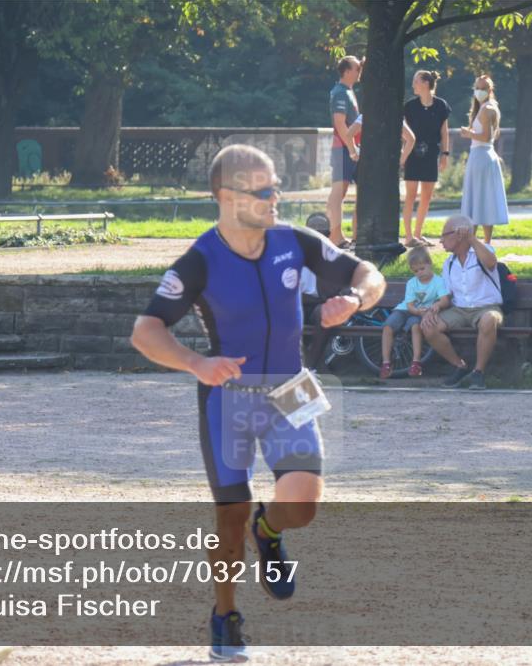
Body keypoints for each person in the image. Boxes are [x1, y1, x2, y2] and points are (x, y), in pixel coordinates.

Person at [130, 145, 386, 662]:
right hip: (228, 400)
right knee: (229, 517)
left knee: (304, 505)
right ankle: (225, 615)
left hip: (291, 390)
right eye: (264, 191)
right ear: (228, 198)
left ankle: (267, 531)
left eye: (277, 187)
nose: (277, 198)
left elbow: (369, 274)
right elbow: (145, 330)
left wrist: (354, 299)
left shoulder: (295, 241)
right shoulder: (200, 260)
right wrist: (196, 363)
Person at [419, 215, 503, 391]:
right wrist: (435, 308)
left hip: (486, 308)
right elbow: (447, 295)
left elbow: (491, 262)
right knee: (428, 327)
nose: (441, 241)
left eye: (444, 235)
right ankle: (460, 366)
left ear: (459, 235)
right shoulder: (449, 263)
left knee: (489, 320)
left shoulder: (483, 251)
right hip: (459, 310)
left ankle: (478, 373)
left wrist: (471, 238)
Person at [379, 246, 449, 380]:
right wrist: (417, 311)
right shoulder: (412, 283)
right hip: (405, 310)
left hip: (423, 314)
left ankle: (416, 363)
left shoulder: (438, 281)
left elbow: (445, 300)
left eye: (422, 268)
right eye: (415, 271)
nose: (419, 273)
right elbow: (409, 305)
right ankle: (386, 363)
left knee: (416, 327)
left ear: (430, 264)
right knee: (388, 327)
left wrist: (437, 305)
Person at [402, 70, 451, 248]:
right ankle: (408, 237)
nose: (413, 85)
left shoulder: (441, 106)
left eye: (416, 81)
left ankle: (418, 234)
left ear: (425, 83)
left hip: (431, 154)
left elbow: (444, 132)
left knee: (426, 197)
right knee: (410, 195)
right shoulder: (409, 106)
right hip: (413, 153)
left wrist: (445, 154)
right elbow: (402, 131)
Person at [460, 75, 509, 244]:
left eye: (483, 88)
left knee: (479, 200)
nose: (479, 91)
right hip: (481, 155)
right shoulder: (485, 107)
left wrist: (469, 133)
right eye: (477, 87)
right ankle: (480, 242)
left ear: (490, 90)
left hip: (482, 155)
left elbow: (486, 136)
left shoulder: (487, 108)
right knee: (481, 199)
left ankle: (481, 243)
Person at [326, 55, 363, 248]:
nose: (360, 72)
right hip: (343, 149)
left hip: (348, 149)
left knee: (341, 192)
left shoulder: (348, 91)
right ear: (347, 71)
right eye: (357, 68)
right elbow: (340, 123)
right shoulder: (341, 93)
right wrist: (352, 148)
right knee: (338, 192)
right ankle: (334, 236)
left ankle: (341, 235)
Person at [346, 113, 416, 185]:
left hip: (367, 164)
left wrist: (353, 154)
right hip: (389, 165)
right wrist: (400, 161)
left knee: (366, 194)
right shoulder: (395, 116)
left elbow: (349, 135)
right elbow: (411, 139)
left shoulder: (367, 114)